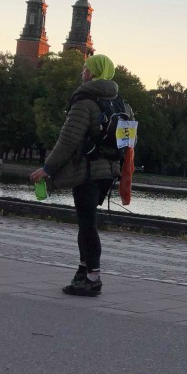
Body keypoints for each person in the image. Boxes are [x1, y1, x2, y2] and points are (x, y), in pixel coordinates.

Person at [30, 54, 121, 297]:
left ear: (93, 73)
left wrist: (47, 168)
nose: (83, 72)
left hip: (87, 170)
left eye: (86, 68)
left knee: (87, 225)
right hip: (109, 172)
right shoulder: (121, 103)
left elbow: (68, 139)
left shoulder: (85, 101)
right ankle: (83, 273)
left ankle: (93, 277)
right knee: (87, 223)